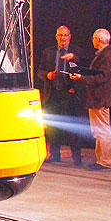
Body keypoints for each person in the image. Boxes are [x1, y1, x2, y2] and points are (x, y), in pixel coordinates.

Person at [35, 25, 87, 165]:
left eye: (65, 35)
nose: (62, 38)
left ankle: (76, 156)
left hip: (70, 94)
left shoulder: (77, 52)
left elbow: (83, 69)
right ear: (56, 36)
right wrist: (48, 75)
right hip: (53, 94)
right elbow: (39, 71)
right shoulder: (48, 52)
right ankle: (55, 154)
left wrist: (76, 87)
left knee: (72, 127)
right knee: (52, 127)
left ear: (70, 36)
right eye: (60, 35)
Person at [71, 28, 111, 171]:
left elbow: (102, 77)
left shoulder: (107, 56)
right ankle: (101, 160)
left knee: (103, 130)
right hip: (96, 97)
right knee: (98, 131)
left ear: (99, 40)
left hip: (101, 98)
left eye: (94, 38)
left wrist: (82, 78)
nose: (92, 40)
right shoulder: (103, 55)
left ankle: (105, 161)